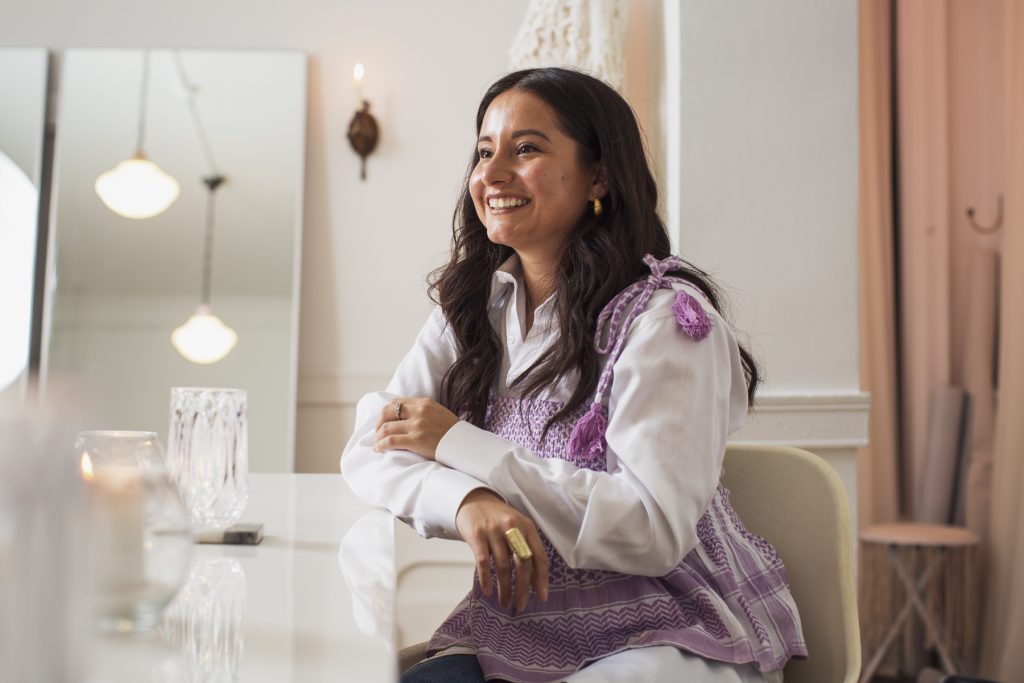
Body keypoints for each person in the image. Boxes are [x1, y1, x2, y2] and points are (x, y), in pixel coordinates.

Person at [341, 67, 806, 683]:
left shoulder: (662, 321)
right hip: (517, 627)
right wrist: (465, 499)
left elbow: (652, 529)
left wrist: (460, 445)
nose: (491, 174)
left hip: (669, 635)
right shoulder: (471, 312)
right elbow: (370, 448)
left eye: (526, 148)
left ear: (600, 176)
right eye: (484, 152)